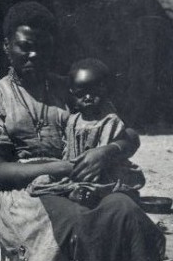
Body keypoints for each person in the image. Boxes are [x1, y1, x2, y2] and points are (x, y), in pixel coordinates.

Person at [0, 2, 172, 261]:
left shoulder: (73, 88)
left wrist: (105, 153)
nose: (33, 55)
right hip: (19, 191)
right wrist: (61, 167)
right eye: (24, 46)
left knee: (123, 209)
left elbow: (128, 135)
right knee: (70, 222)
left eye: (42, 48)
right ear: (6, 46)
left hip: (80, 180)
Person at [27, 58, 145, 208]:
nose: (88, 98)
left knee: (108, 188)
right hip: (77, 170)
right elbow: (68, 148)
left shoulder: (110, 120)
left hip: (103, 170)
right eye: (81, 93)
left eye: (95, 92)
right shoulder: (73, 120)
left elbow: (105, 153)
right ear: (72, 93)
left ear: (105, 90)